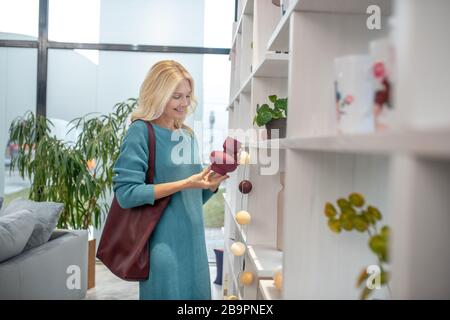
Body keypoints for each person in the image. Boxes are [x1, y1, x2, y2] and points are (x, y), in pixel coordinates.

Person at [112, 60, 229, 300]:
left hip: (195, 246)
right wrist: (186, 183)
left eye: (187, 96)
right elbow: (126, 194)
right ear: (158, 94)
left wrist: (212, 182)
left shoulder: (187, 134)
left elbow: (193, 197)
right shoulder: (141, 132)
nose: (185, 103)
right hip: (162, 245)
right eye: (177, 96)